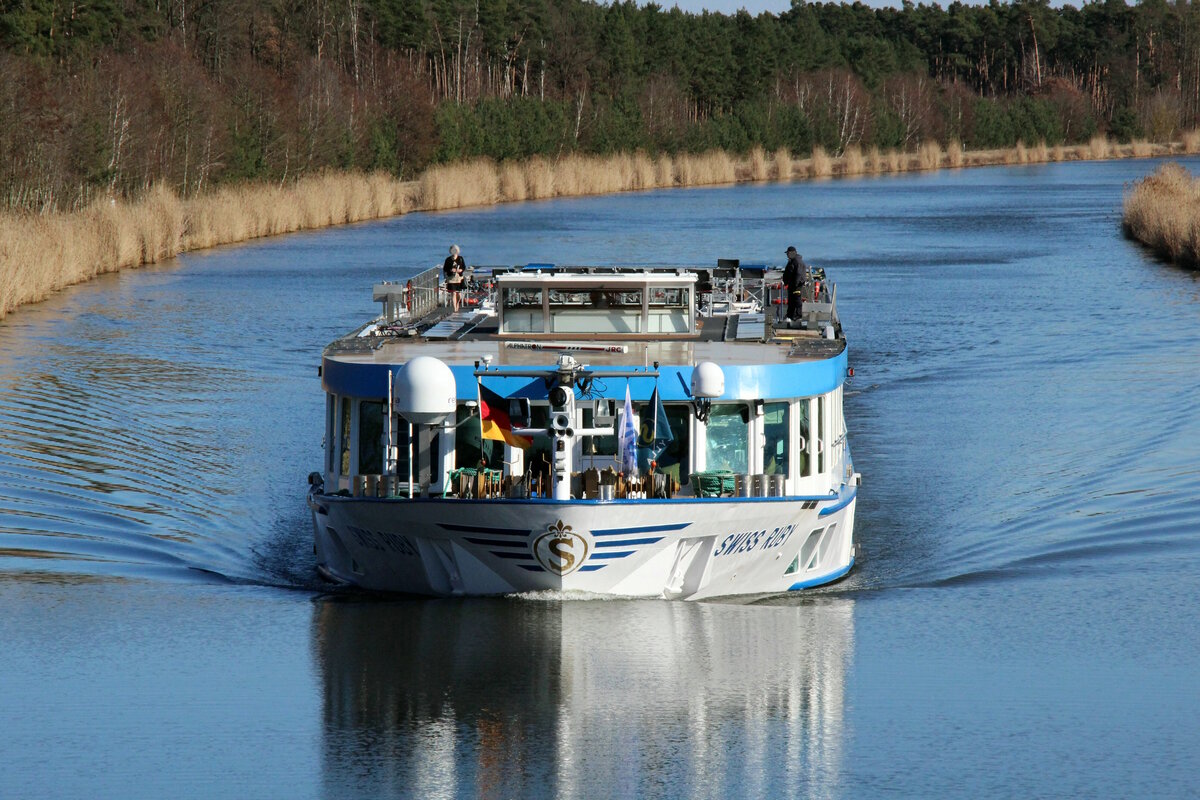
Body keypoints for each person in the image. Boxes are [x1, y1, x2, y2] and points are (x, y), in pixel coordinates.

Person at [781, 245, 810, 321]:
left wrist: (796, 284)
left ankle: (798, 315)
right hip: (792, 284)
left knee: (796, 299)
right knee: (791, 300)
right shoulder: (792, 261)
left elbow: (798, 273)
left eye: (788, 253)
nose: (787, 255)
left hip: (796, 284)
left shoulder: (797, 261)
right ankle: (790, 315)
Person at [443, 244, 466, 311]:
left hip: (459, 278)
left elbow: (464, 267)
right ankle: (455, 308)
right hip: (451, 278)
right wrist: (450, 270)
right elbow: (445, 268)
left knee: (458, 294)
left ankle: (457, 303)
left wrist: (460, 270)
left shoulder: (460, 258)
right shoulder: (448, 259)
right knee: (453, 293)